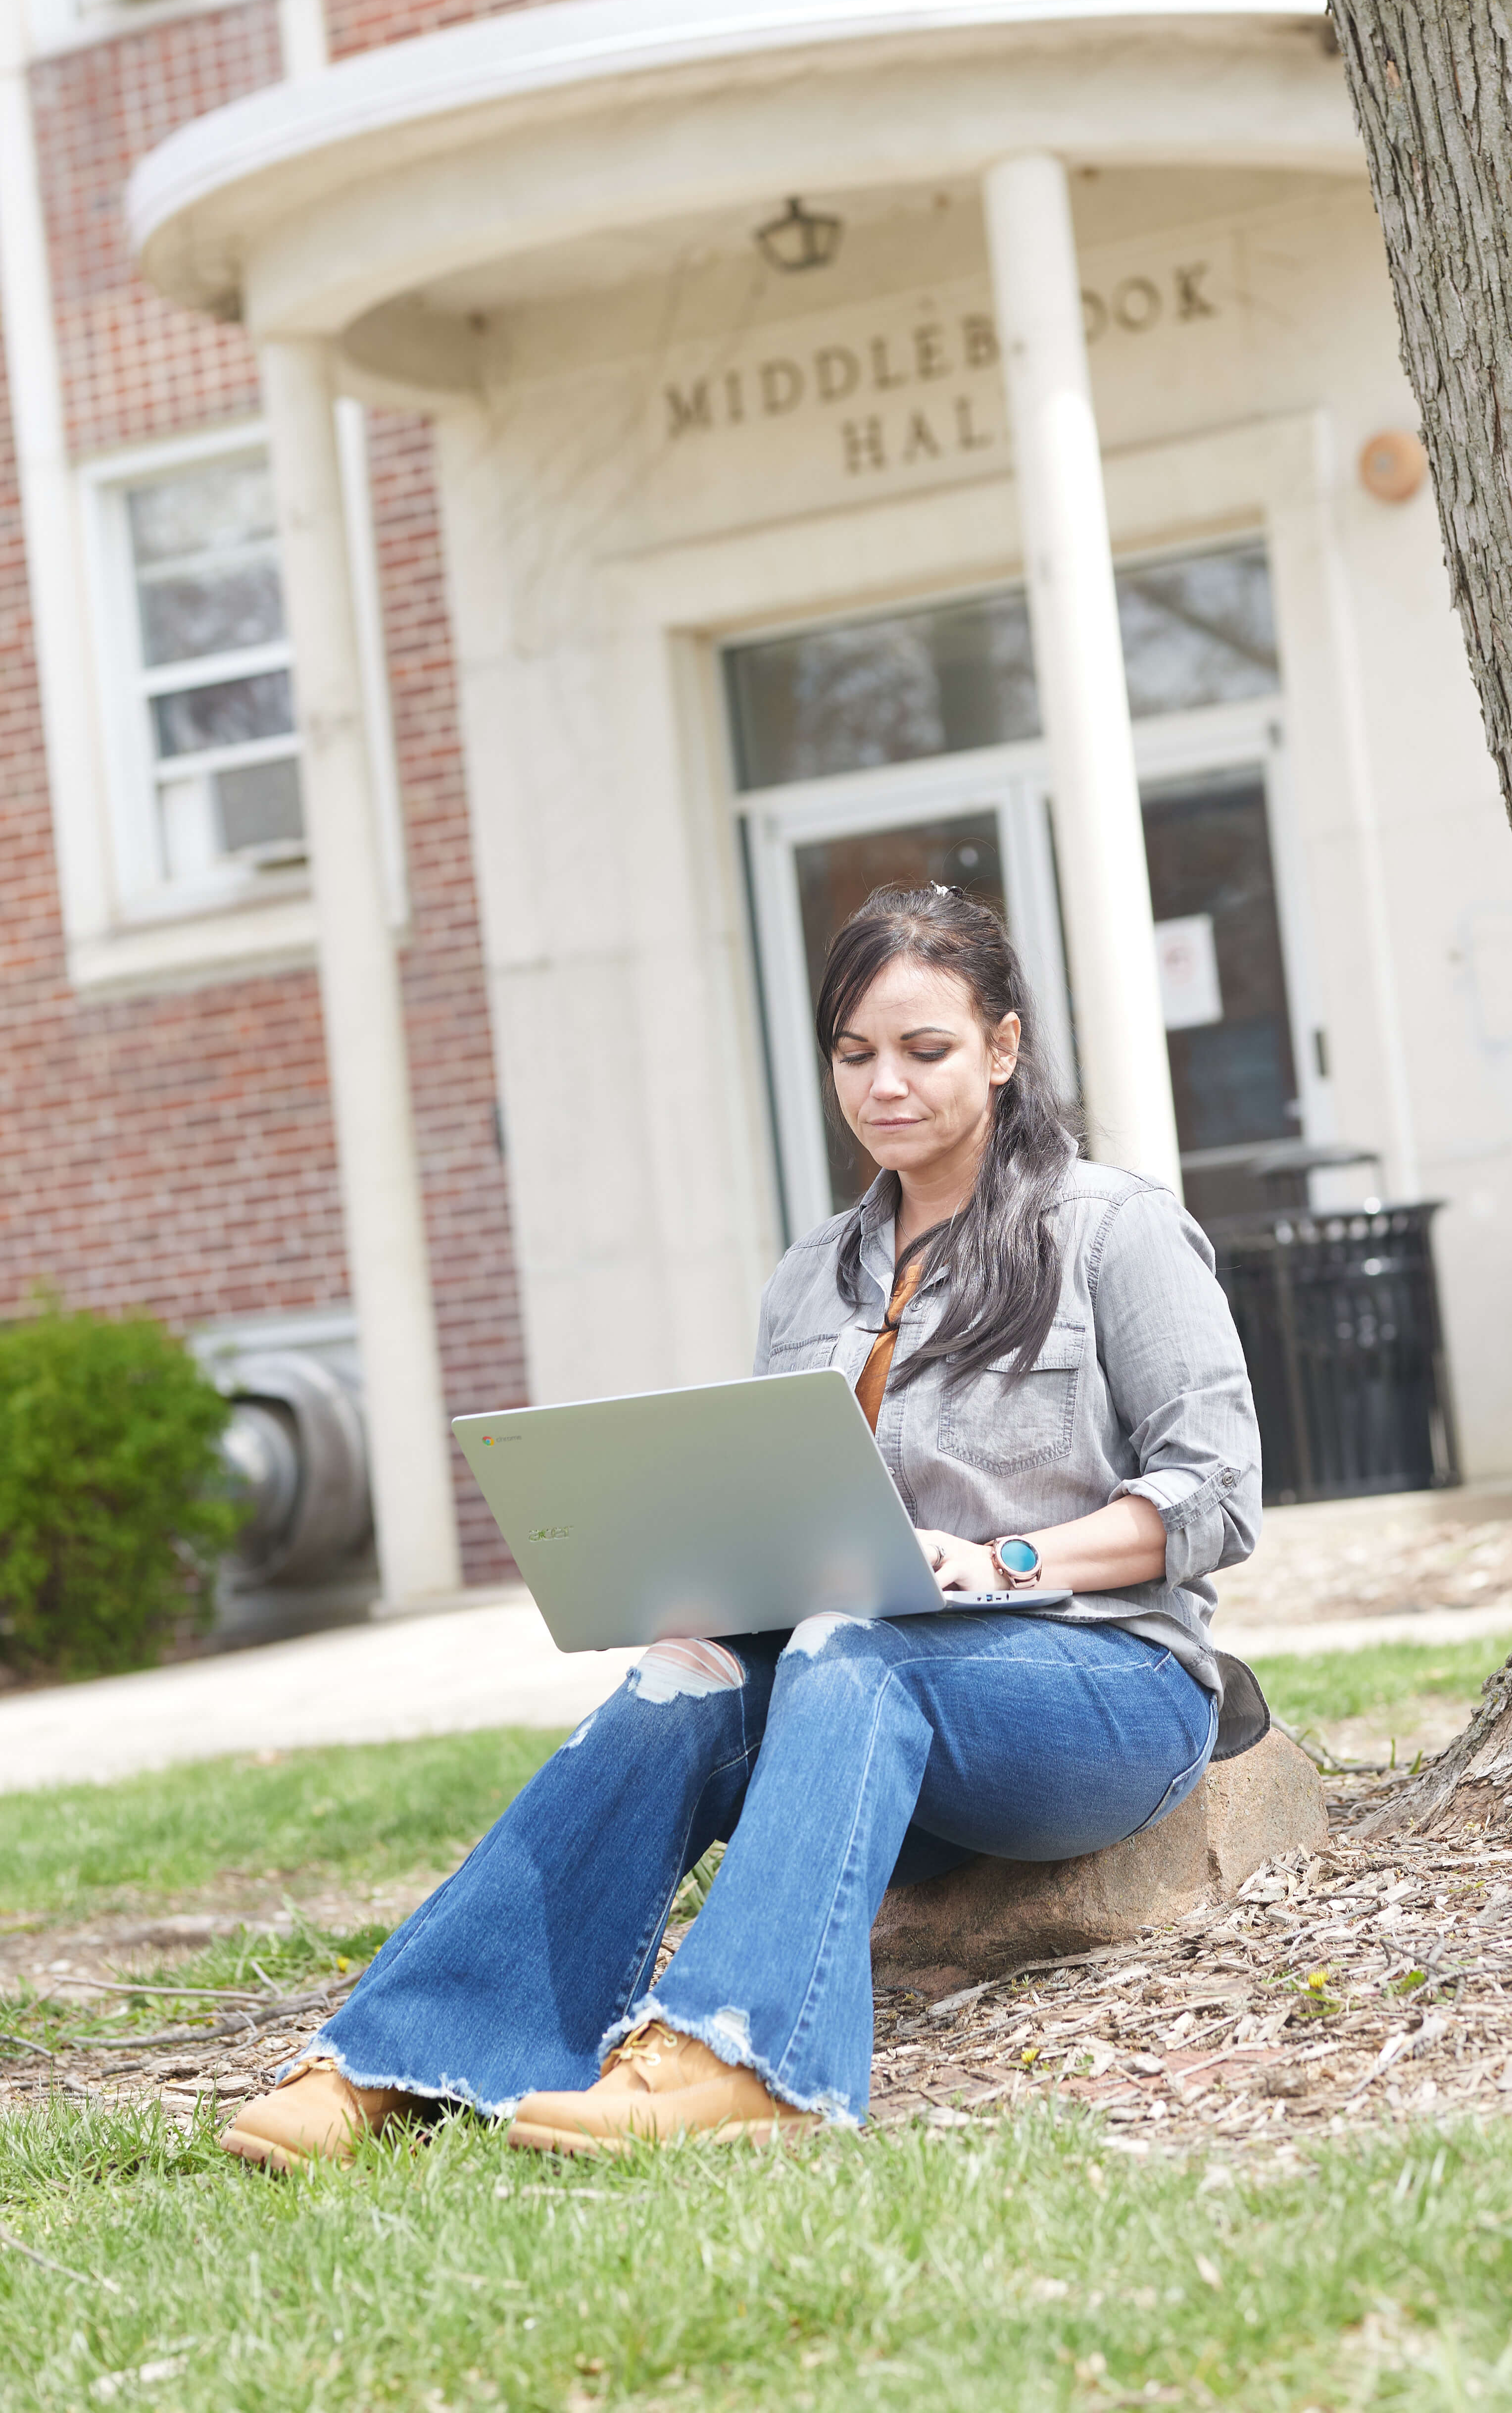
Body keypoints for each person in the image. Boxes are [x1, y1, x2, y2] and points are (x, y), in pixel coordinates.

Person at [221, 883, 1264, 2171]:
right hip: (864, 1693)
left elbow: (1216, 1498)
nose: (885, 1085)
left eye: (926, 1050)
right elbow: (789, 1502)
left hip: (1105, 1688)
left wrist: (1001, 1562)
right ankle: (416, 2053)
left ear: (1002, 1049)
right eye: (854, 1054)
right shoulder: (812, 1276)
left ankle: (742, 2057)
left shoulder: (1117, 1229)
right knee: (691, 1673)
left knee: (847, 1655)